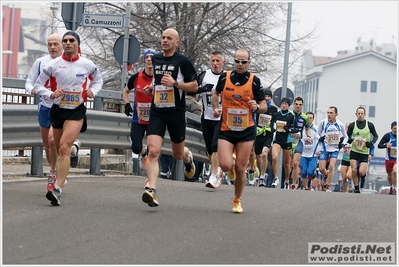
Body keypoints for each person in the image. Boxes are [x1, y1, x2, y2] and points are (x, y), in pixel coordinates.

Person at [35, 31, 103, 205]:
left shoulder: (87, 64)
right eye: (64, 41)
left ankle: (57, 189)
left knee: (64, 148)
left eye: (71, 40)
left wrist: (92, 91)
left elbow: (98, 80)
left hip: (76, 110)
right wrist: (50, 93)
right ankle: (69, 160)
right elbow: (38, 84)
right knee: (56, 147)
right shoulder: (54, 64)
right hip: (58, 109)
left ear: (77, 44)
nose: (67, 43)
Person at [141, 28, 198, 207]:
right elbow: (157, 79)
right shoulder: (156, 58)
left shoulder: (183, 61)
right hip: (157, 110)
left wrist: (175, 84)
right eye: (163, 37)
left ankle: (189, 158)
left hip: (176, 112)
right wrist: (152, 86)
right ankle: (152, 190)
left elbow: (195, 86)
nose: (165, 40)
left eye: (169, 38)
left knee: (178, 154)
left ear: (177, 42)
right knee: (153, 151)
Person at [212, 48, 266, 213]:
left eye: (243, 62)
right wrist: (216, 107)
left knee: (241, 168)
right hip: (226, 128)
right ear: (233, 62)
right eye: (237, 61)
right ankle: (231, 168)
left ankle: (237, 200)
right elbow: (216, 93)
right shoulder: (225, 77)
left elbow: (263, 105)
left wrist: (257, 106)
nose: (240, 65)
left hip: (246, 130)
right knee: (226, 165)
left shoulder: (254, 81)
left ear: (249, 63)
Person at [25, 33, 81, 192]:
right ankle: (61, 163)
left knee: (53, 141)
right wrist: (32, 90)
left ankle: (54, 175)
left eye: (56, 44)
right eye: (49, 44)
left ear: (62, 45)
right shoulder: (40, 62)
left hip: (64, 107)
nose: (52, 47)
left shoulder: (70, 62)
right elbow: (30, 82)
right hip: (45, 106)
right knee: (49, 146)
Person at [123, 48, 157, 189]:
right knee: (136, 148)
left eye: (152, 57)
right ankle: (143, 152)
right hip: (138, 119)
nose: (149, 59)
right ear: (144, 60)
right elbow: (126, 91)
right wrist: (127, 104)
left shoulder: (159, 79)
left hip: (154, 120)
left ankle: (150, 181)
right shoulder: (136, 77)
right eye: (147, 57)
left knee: (153, 150)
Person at [195, 51, 225, 189]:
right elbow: (191, 90)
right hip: (206, 117)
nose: (215, 63)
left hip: (221, 117)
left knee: (215, 146)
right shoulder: (204, 75)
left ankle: (213, 176)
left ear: (223, 63)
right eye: (213, 60)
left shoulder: (227, 77)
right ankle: (217, 169)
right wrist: (201, 89)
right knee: (209, 149)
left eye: (218, 61)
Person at [346, 106, 378, 193]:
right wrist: (349, 139)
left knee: (361, 172)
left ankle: (362, 181)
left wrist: (371, 143)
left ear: (365, 114)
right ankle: (356, 188)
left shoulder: (370, 125)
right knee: (353, 170)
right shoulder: (352, 125)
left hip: (364, 151)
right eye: (358, 113)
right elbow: (347, 136)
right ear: (356, 114)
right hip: (354, 150)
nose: (360, 115)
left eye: (362, 113)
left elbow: (376, 136)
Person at [316, 106, 348, 192]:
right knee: (322, 168)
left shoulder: (340, 124)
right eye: (328, 113)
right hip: (325, 148)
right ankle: (326, 175)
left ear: (336, 114)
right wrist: (320, 138)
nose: (329, 115)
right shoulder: (323, 122)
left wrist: (343, 144)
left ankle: (328, 186)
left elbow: (346, 137)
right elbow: (317, 134)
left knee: (331, 166)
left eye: (331, 113)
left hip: (335, 148)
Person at [270, 97, 296, 189]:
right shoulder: (276, 114)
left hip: (287, 141)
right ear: (280, 104)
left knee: (287, 163)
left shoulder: (291, 116)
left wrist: (288, 129)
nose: (284, 105)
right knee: (274, 157)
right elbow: (271, 123)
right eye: (283, 104)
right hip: (277, 139)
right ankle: (276, 177)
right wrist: (272, 128)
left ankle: (287, 180)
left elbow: (295, 129)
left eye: (286, 104)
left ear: (288, 106)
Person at [254, 88, 278, 187]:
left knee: (264, 154)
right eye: (265, 96)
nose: (267, 98)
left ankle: (263, 177)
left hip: (268, 135)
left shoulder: (274, 109)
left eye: (269, 96)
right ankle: (260, 174)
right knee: (258, 158)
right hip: (258, 135)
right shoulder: (258, 107)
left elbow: (276, 122)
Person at [289, 97, 311, 189]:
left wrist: (308, 136)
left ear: (302, 105)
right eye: (296, 104)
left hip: (298, 141)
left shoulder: (305, 117)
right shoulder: (289, 114)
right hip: (288, 141)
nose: (298, 106)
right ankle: (287, 181)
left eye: (300, 104)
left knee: (295, 163)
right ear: (294, 104)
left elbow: (307, 128)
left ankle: (294, 183)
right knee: (288, 164)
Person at [298, 112, 320, 190]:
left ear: (313, 119)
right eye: (308, 118)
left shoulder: (316, 129)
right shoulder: (301, 128)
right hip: (303, 154)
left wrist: (319, 150)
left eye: (311, 118)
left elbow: (321, 139)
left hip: (313, 155)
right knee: (304, 172)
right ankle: (306, 187)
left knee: (310, 172)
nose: (309, 120)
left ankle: (314, 177)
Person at [378, 121, 397, 195]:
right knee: (389, 175)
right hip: (389, 159)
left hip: (396, 159)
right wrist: (386, 145)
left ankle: (395, 188)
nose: (396, 130)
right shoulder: (387, 136)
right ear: (391, 128)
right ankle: (392, 186)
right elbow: (379, 145)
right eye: (394, 128)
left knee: (395, 172)